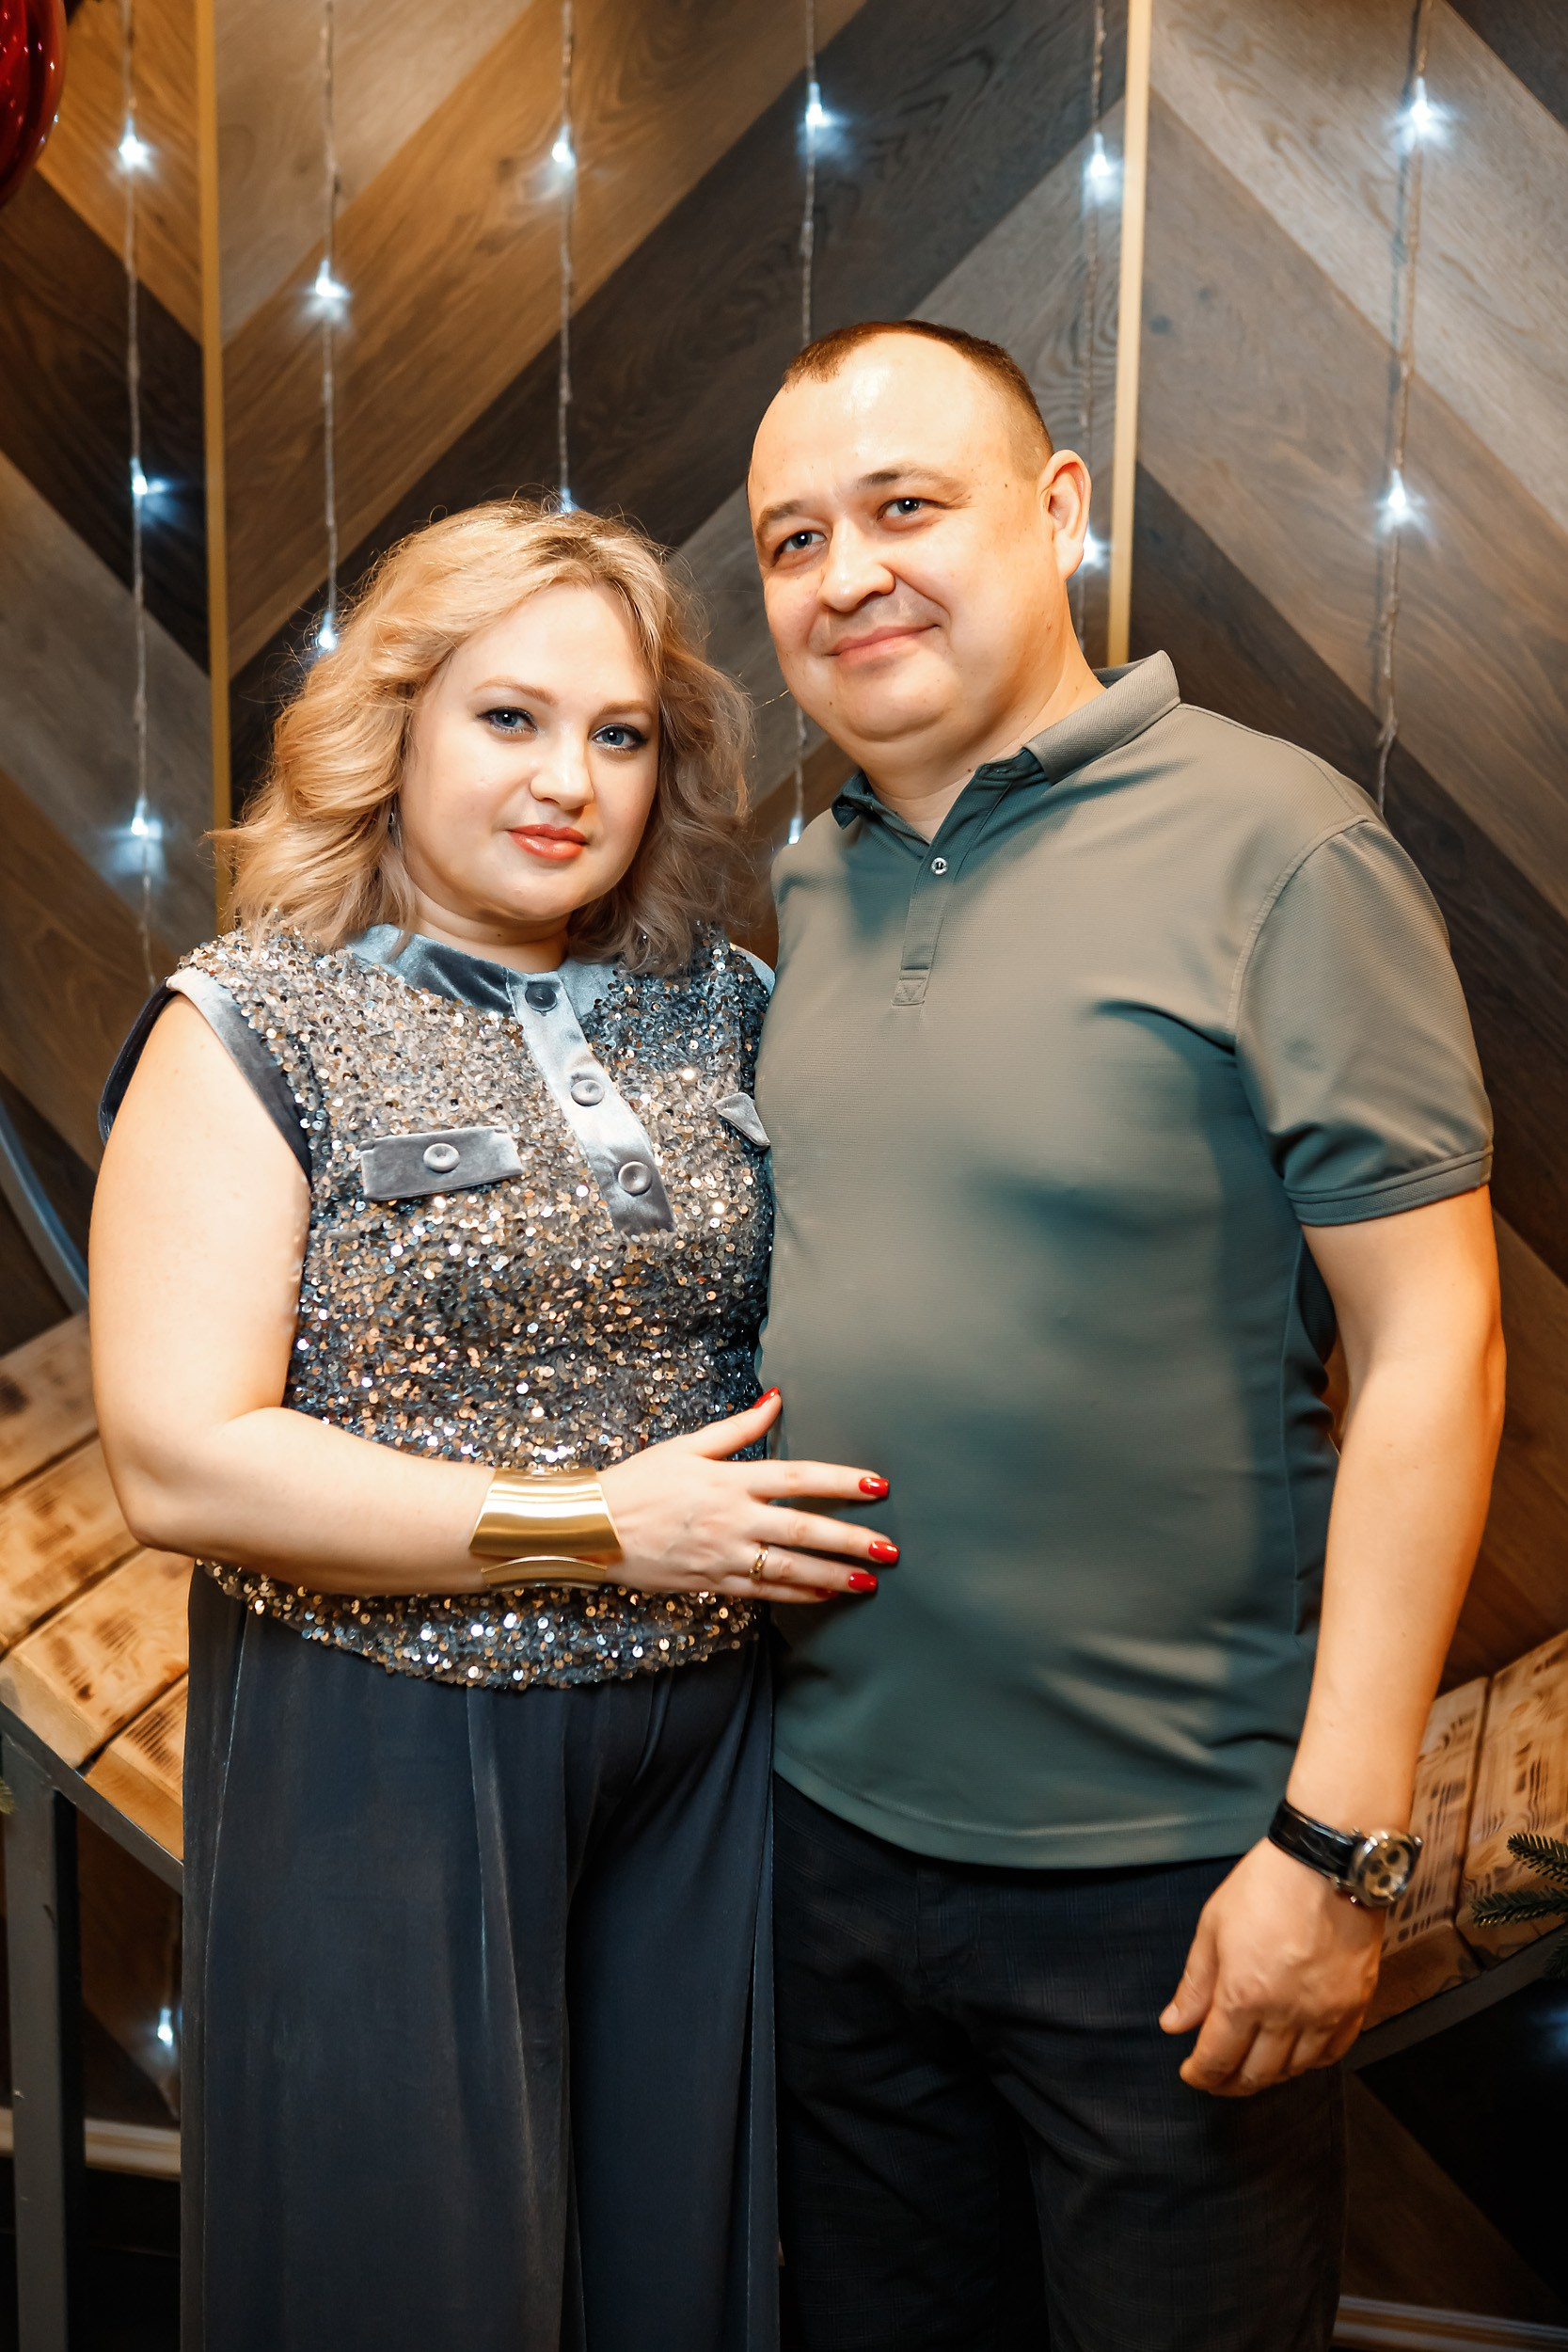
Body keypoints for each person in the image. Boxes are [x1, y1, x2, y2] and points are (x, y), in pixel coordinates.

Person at [745, 321, 1505, 2351]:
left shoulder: (1284, 849)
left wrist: (1332, 1847)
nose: (848, 573)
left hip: (1168, 1883)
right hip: (825, 1847)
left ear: (1057, 511)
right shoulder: (806, 880)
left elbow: (1434, 1346)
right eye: (795, 538)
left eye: (906, 506)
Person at [89, 502, 892, 2352]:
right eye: (509, 719)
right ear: (395, 725)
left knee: (675, 2269)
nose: (567, 781)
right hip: (384, 1737)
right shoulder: (252, 1020)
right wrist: (598, 1522)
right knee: (408, 2276)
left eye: (619, 734)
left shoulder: (726, 1004)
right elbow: (178, 1458)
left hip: (705, 1748)